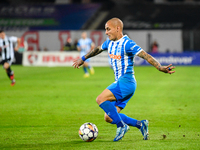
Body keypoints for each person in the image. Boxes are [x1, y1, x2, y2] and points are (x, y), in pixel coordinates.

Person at [72, 18, 175, 141]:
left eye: (108, 29)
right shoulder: (109, 42)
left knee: (100, 99)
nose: (106, 32)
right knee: (109, 117)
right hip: (122, 84)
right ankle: (141, 124)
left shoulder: (128, 44)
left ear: (117, 28)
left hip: (126, 82)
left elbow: (145, 55)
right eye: (105, 29)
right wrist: (83, 58)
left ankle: (121, 126)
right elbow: (97, 49)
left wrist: (160, 67)